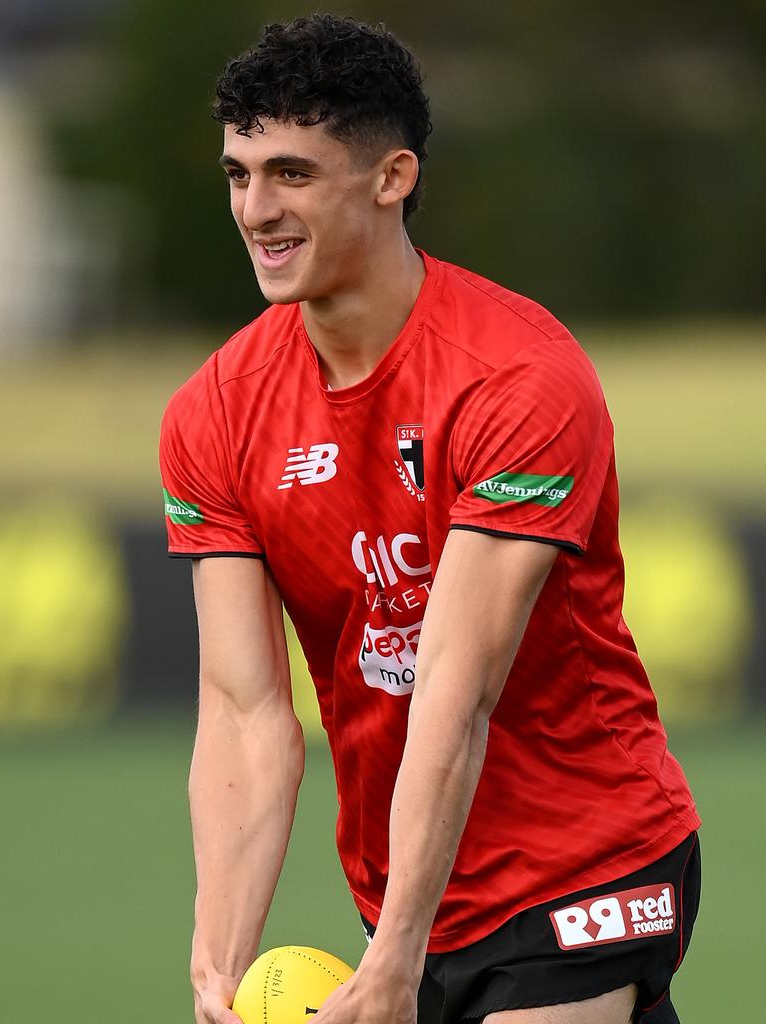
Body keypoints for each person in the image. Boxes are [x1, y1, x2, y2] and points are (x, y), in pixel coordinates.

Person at [159, 14, 701, 1024]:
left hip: (586, 863)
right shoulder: (215, 411)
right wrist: (216, 961)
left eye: (291, 173)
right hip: (408, 890)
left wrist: (400, 953)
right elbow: (243, 713)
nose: (256, 209)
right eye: (239, 173)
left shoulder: (519, 380)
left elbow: (456, 687)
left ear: (392, 175)